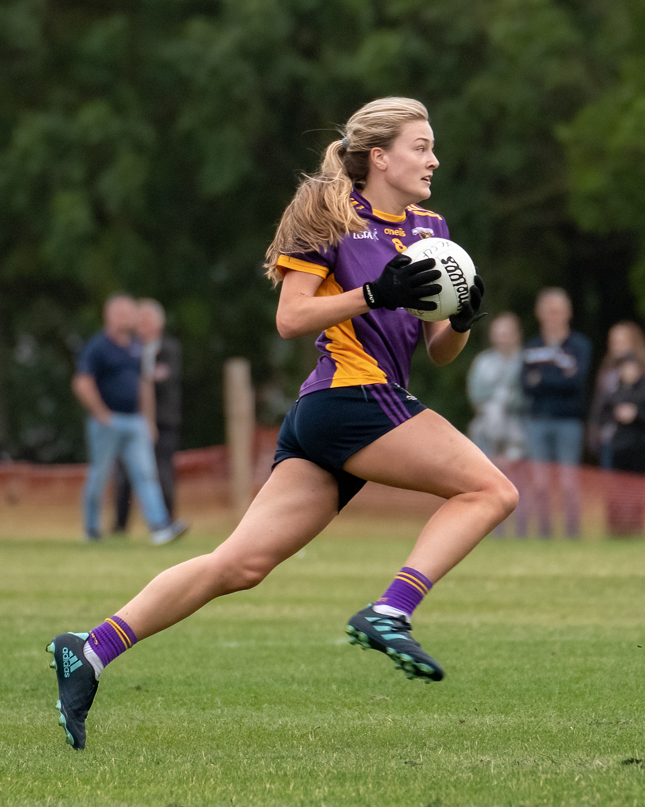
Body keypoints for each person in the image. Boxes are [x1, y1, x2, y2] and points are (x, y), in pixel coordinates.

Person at [47, 97, 518, 750]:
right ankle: (391, 609)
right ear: (379, 156)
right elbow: (291, 318)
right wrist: (373, 294)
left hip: (341, 414)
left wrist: (463, 318)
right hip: (349, 397)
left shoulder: (431, 228)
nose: (433, 158)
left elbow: (438, 350)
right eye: (421, 145)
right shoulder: (324, 211)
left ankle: (89, 648)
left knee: (237, 564)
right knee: (491, 490)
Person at [72, 294, 188, 546]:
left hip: (135, 423)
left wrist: (148, 420)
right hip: (108, 423)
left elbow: (144, 384)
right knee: (99, 476)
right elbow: (82, 382)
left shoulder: (136, 347)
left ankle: (159, 527)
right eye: (122, 313)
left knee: (146, 475)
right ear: (109, 316)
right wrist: (100, 412)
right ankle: (91, 529)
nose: (128, 318)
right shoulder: (98, 346)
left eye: (129, 313)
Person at [522, 288, 592, 538]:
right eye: (549, 311)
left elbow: (575, 383)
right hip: (538, 422)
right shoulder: (531, 346)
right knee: (540, 484)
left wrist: (541, 378)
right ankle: (545, 535)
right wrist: (558, 376)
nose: (554, 316)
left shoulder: (580, 345)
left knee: (568, 483)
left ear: (568, 313)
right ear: (540, 314)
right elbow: (525, 385)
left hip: (569, 423)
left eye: (559, 311)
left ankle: (572, 535)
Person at [113, 299, 183, 532]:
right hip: (132, 420)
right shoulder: (128, 349)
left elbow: (162, 379)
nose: (141, 326)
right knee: (124, 474)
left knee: (163, 471)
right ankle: (120, 526)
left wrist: (138, 379)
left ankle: (167, 522)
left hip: (163, 421)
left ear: (158, 324)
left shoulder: (169, 349)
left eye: (147, 321)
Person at [467, 312, 528, 536]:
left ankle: (521, 533)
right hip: (486, 431)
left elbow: (527, 395)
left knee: (519, 484)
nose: (503, 338)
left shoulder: (526, 360)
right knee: (490, 483)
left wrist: (509, 400)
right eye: (499, 333)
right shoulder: (483, 362)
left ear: (517, 335)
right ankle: (494, 533)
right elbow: (476, 395)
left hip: (518, 431)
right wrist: (500, 397)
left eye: (507, 333)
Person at [587, 321, 645, 469]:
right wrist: (595, 431)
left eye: (622, 341)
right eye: (613, 342)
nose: (617, 346)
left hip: (636, 443)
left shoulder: (641, 374)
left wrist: (636, 413)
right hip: (609, 440)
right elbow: (600, 405)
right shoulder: (607, 372)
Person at [601, 353, 645, 535]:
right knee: (617, 490)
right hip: (619, 448)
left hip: (640, 448)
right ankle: (617, 529)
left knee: (637, 490)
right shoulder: (614, 392)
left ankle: (635, 527)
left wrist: (636, 415)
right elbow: (602, 415)